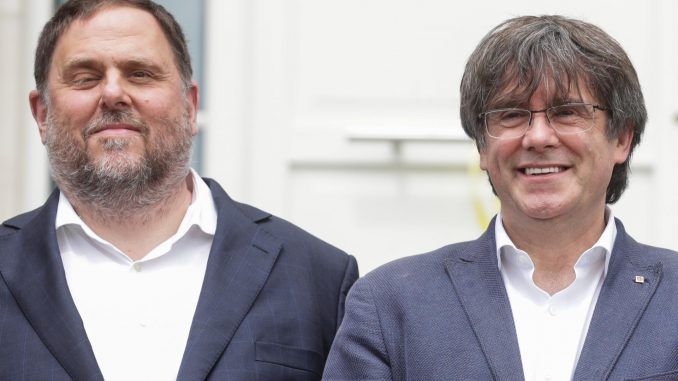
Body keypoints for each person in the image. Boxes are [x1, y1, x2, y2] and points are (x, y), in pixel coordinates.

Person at [0, 0, 357, 379]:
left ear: (190, 107)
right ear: (42, 114)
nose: (114, 93)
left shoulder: (317, 277)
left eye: (140, 74)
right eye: (86, 77)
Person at [323, 15, 678, 381]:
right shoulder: (390, 303)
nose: (538, 137)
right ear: (482, 146)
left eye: (567, 112)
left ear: (621, 138)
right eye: (511, 114)